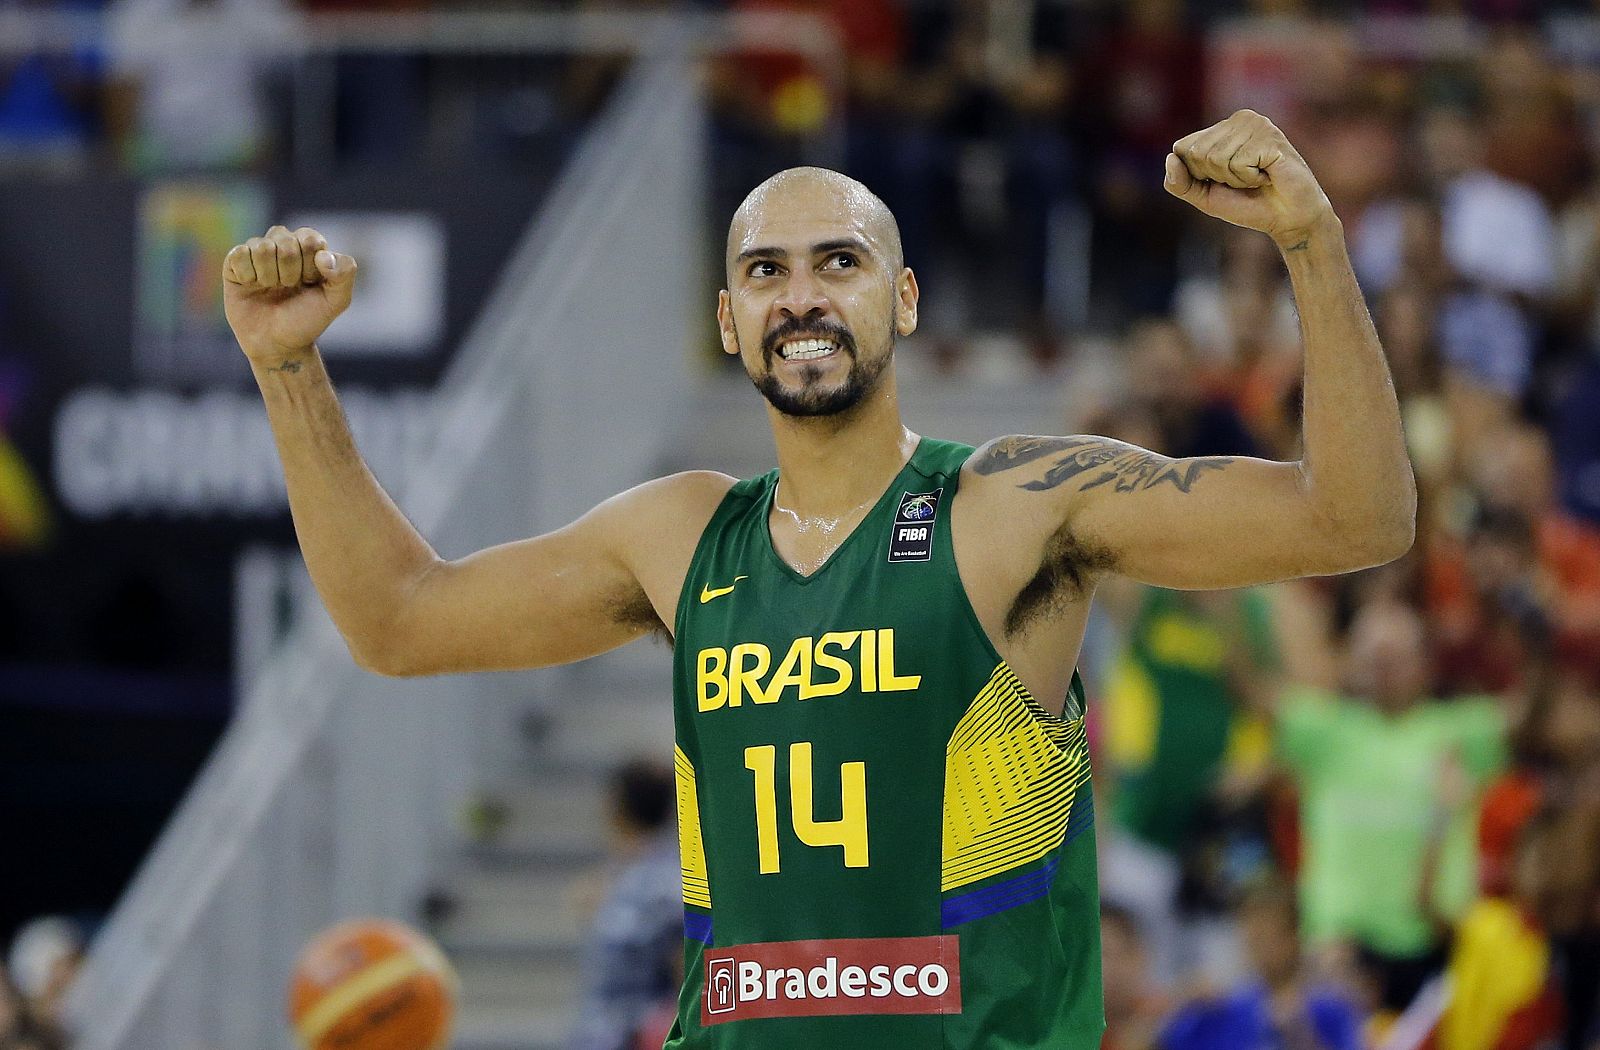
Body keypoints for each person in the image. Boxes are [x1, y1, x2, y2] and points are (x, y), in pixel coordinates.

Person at [221, 109, 1415, 1047]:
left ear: (900, 300)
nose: (800, 295)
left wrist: (1309, 241)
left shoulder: (1014, 502)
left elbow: (1354, 517)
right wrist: (288, 371)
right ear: (730, 321)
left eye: (838, 262)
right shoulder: (679, 534)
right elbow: (396, 620)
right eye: (766, 270)